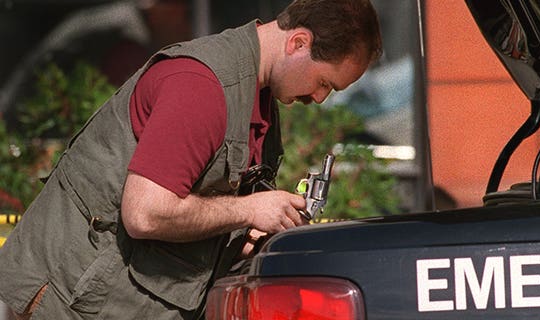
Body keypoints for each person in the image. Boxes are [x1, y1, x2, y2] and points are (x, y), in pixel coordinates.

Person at [0, 0, 382, 319]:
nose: (319, 99)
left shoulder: (258, 96)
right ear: (298, 43)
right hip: (69, 302)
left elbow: (205, 203)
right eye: (324, 83)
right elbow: (146, 212)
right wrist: (249, 210)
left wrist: (243, 237)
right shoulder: (201, 87)